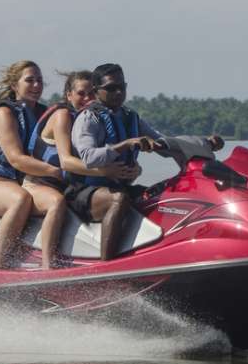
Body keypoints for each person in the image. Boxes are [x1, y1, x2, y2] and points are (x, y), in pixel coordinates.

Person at [71, 63, 223, 259]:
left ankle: (163, 252)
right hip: (84, 194)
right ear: (96, 91)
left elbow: (163, 142)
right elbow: (89, 157)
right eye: (110, 88)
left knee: (162, 195)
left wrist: (204, 142)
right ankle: (107, 265)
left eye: (121, 87)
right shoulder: (88, 118)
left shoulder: (131, 117)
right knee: (120, 199)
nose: (118, 92)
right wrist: (125, 145)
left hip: (120, 186)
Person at [24, 70, 138, 264]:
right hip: (40, 185)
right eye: (80, 93)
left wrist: (133, 169)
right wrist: (105, 171)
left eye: (91, 93)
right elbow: (66, 162)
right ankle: (48, 264)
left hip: (66, 184)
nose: (87, 98)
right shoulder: (63, 116)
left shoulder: (91, 119)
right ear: (69, 95)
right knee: (57, 203)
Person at [0, 60, 65, 270]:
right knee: (20, 199)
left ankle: (50, 263)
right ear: (14, 85)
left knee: (57, 201)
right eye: (29, 80)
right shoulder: (5, 113)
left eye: (39, 81)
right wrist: (55, 171)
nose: (36, 85)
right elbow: (16, 159)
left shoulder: (44, 113)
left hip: (25, 184)